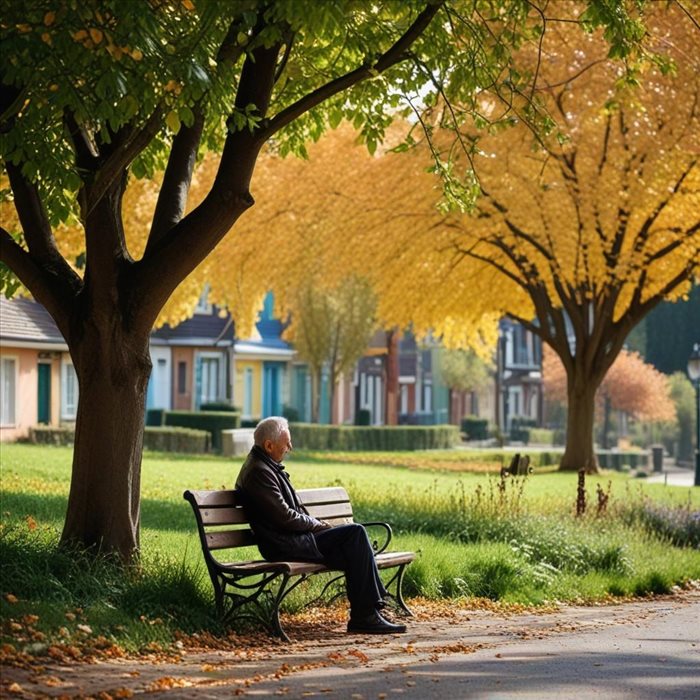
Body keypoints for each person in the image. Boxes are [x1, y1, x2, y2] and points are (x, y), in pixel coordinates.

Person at [235, 416, 406, 635]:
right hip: (285, 544)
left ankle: (368, 613)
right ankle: (368, 613)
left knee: (356, 551)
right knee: (356, 534)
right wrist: (318, 525)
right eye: (286, 443)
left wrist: (318, 526)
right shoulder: (259, 472)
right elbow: (285, 517)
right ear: (269, 445)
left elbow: (286, 514)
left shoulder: (266, 466)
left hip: (291, 539)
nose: (290, 448)